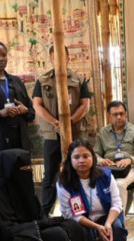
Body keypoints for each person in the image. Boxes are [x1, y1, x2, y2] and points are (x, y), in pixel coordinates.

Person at [33, 45, 92, 216]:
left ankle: (81, 211)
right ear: (51, 59)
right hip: (52, 134)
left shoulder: (79, 80)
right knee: (50, 174)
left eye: (61, 57)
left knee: (78, 171)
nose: (58, 60)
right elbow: (37, 105)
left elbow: (85, 105)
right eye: (54, 57)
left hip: (75, 133)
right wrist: (55, 123)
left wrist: (68, 122)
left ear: (67, 58)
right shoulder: (42, 80)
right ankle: (45, 214)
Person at [57, 139, 128, 241]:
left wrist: (106, 224)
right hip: (82, 219)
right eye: (76, 157)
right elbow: (69, 214)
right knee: (77, 232)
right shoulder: (64, 181)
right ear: (70, 159)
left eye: (86, 156)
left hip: (107, 215)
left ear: (93, 158)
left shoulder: (106, 175)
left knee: (117, 228)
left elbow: (116, 204)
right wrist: (96, 226)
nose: (81, 160)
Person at [94, 100, 134, 210]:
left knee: (119, 184)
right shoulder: (103, 132)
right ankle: (100, 217)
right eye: (115, 114)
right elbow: (95, 154)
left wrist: (130, 160)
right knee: (91, 182)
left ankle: (119, 222)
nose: (119, 117)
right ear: (109, 116)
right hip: (108, 168)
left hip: (130, 168)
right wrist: (101, 161)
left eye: (121, 114)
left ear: (125, 114)